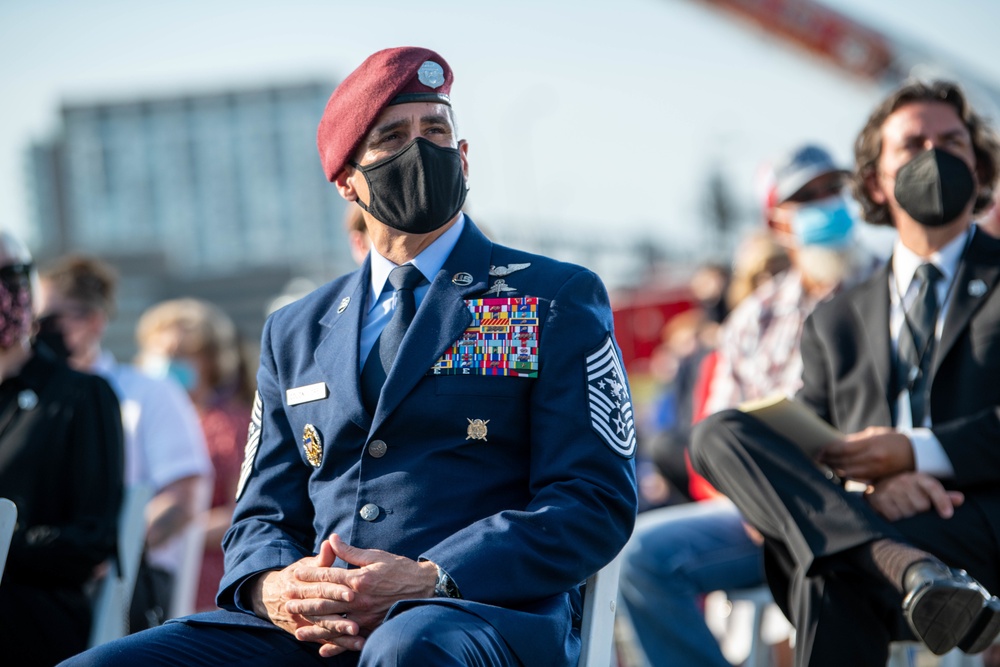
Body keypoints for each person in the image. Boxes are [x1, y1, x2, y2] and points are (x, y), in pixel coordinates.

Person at [62, 46, 637, 667]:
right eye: (392, 137)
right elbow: (261, 514)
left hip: (471, 617)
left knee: (405, 650)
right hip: (312, 630)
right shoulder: (295, 329)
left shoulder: (552, 295)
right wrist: (274, 587)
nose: (422, 150)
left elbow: (591, 497)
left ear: (464, 157)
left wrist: (430, 576)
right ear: (347, 182)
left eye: (436, 130)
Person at [691, 79, 1000, 666]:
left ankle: (888, 559)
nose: (933, 156)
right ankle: (900, 563)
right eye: (911, 144)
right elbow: (816, 438)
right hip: (880, 516)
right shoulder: (838, 316)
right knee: (717, 433)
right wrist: (869, 487)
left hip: (984, 521)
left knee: (826, 565)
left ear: (980, 167)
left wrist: (913, 454)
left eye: (953, 142)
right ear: (876, 180)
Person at [619, 144, 870, 667]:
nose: (827, 205)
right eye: (808, 197)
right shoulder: (753, 317)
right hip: (761, 516)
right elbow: (711, 437)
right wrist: (757, 498)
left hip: (865, 508)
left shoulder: (892, 287)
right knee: (637, 559)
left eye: (833, 191)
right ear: (777, 220)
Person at [37, 256, 213, 630]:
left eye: (50, 320)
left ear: (93, 321)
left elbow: (184, 498)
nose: (36, 332)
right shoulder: (32, 402)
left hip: (129, 581)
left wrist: (107, 551)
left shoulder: (146, 392)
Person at [0, 231, 124, 666]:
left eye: (11, 277)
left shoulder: (80, 396)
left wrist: (8, 544)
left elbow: (92, 539)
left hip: (32, 613)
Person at [133, 298, 255, 612]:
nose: (164, 363)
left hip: (206, 579)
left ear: (211, 362)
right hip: (147, 576)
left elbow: (241, 513)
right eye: (158, 353)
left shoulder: (230, 427)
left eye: (180, 356)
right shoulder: (140, 421)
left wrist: (175, 531)